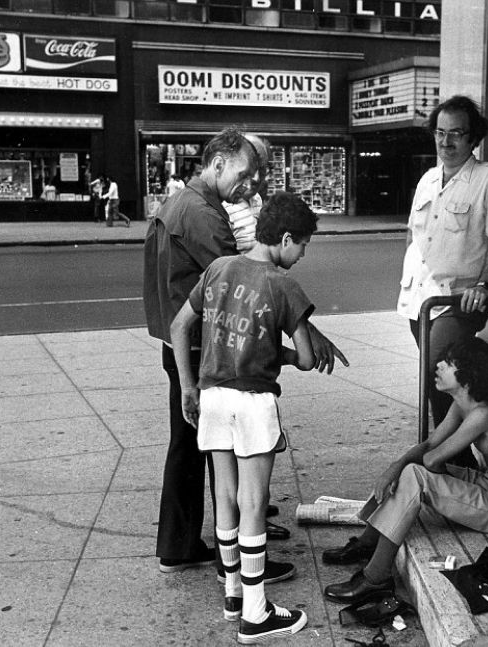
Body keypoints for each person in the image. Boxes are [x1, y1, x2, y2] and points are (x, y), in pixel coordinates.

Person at [143, 127, 348, 582]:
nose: (250, 184)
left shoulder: (178, 202)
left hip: (183, 342)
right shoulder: (202, 215)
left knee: (191, 447)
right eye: (244, 173)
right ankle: (231, 559)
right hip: (204, 349)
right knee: (227, 456)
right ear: (217, 164)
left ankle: (180, 546)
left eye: (256, 175)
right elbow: (250, 284)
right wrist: (306, 333)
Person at [170, 191, 319, 644]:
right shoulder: (283, 285)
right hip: (254, 402)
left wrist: (189, 385)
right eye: (304, 245)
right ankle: (256, 614)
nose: (303, 254)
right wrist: (286, 353)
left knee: (227, 497)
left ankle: (234, 592)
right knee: (255, 501)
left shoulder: (218, 269)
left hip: (213, 396)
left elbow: (180, 326)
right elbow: (309, 360)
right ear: (286, 238)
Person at [321, 338, 488, 605]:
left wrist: (413, 472)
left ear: (469, 375)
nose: (438, 366)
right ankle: (368, 542)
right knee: (407, 469)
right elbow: (429, 445)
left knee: (414, 476)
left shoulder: (484, 414)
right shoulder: (463, 405)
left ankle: (376, 578)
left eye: (448, 363)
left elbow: (431, 460)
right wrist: (394, 467)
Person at [399, 94, 488, 466]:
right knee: (447, 380)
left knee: (440, 369)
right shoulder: (426, 180)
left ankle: (453, 459)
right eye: (440, 133)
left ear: (473, 138)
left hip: (458, 300)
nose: (446, 142)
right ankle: (459, 456)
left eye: (456, 134)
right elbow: (413, 237)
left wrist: (484, 285)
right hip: (418, 299)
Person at [223, 135, 271, 253]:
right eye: (251, 168)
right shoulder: (221, 205)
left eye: (262, 169)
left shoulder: (256, 198)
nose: (257, 177)